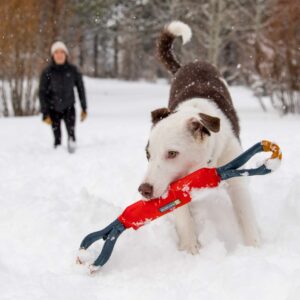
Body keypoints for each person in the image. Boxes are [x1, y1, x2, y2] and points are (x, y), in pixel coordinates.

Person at [39, 41, 87, 153]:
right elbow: (42, 93)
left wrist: (84, 108)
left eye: (62, 52)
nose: (59, 55)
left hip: (69, 108)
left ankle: (75, 158)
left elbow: (81, 89)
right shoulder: (47, 72)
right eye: (56, 52)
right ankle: (58, 161)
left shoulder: (73, 70)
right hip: (53, 109)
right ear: (52, 55)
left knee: (71, 136)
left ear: (66, 54)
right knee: (57, 140)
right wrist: (45, 112)